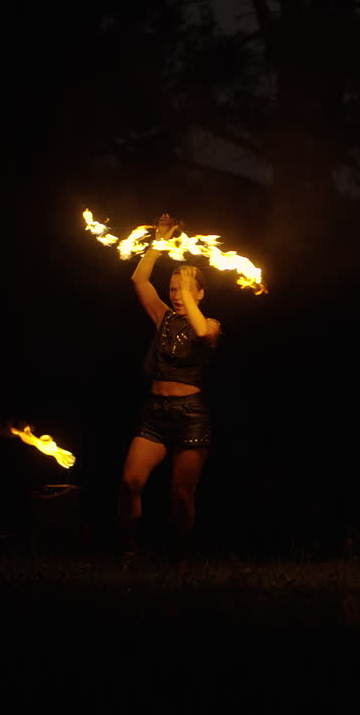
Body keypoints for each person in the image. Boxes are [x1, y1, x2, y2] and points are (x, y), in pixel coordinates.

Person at [116, 213, 222, 565]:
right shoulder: (162, 316)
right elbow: (139, 279)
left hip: (190, 417)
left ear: (200, 293)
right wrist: (159, 242)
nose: (177, 295)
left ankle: (180, 561)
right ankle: (129, 553)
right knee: (131, 481)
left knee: (181, 495)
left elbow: (202, 334)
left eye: (187, 289)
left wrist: (189, 284)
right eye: (174, 288)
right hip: (155, 414)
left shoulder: (209, 324)